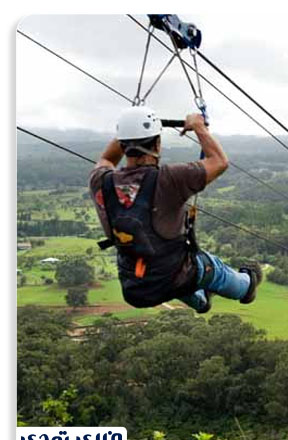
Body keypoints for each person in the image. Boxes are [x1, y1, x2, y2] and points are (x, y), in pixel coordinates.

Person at [88, 106, 262, 313]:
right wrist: (199, 127)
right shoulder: (169, 179)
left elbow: (107, 159)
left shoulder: (100, 181)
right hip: (174, 276)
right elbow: (219, 162)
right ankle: (247, 286)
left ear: (123, 144)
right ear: (158, 143)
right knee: (210, 267)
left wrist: (129, 130)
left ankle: (201, 301)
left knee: (170, 271)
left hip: (135, 287)